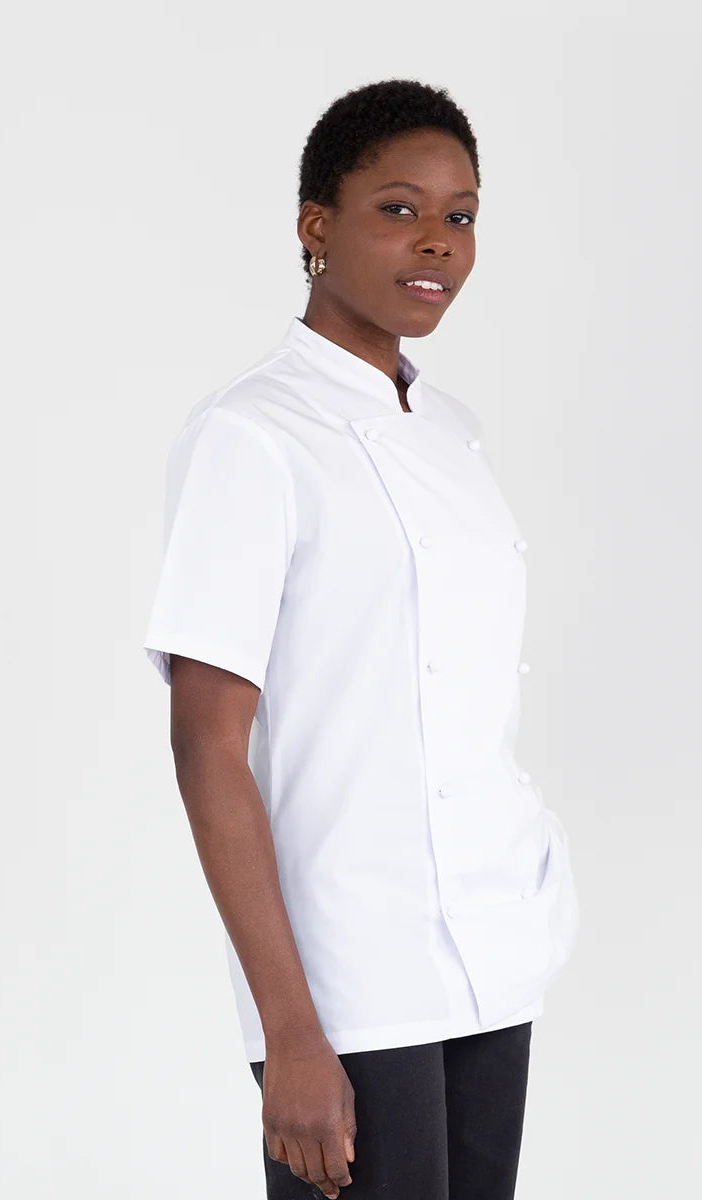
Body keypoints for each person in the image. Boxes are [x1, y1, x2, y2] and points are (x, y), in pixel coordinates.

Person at [142, 78, 580, 1200]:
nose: (437, 240)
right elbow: (207, 750)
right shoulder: (252, 435)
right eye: (397, 208)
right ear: (315, 226)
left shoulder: (454, 432)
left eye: (461, 215)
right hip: (347, 977)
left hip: (489, 949)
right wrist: (290, 1031)